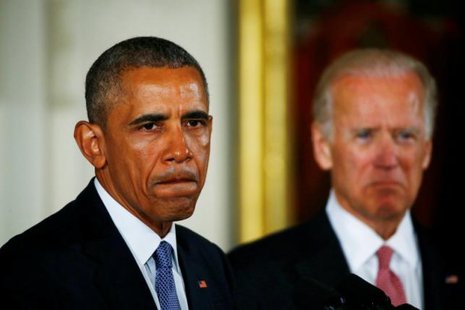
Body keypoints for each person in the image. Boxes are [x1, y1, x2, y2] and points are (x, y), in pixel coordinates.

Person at [0, 36, 234, 309]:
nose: (181, 150)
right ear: (94, 145)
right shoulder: (29, 271)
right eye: (150, 126)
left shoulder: (211, 262)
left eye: (194, 122)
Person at [228, 48, 464, 309]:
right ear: (322, 147)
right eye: (365, 135)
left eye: (405, 136)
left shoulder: (454, 263)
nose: (388, 159)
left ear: (427, 150)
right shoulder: (250, 277)